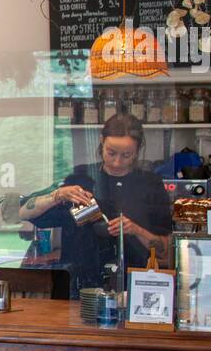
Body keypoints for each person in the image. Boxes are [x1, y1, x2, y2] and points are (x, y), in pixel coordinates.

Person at [19, 112, 172, 296]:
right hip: (77, 286)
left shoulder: (150, 185)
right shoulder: (81, 178)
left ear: (138, 149)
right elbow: (24, 213)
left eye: (126, 155)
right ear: (101, 142)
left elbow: (165, 251)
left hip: (132, 287)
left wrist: (135, 230)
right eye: (111, 153)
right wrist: (57, 195)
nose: (117, 162)